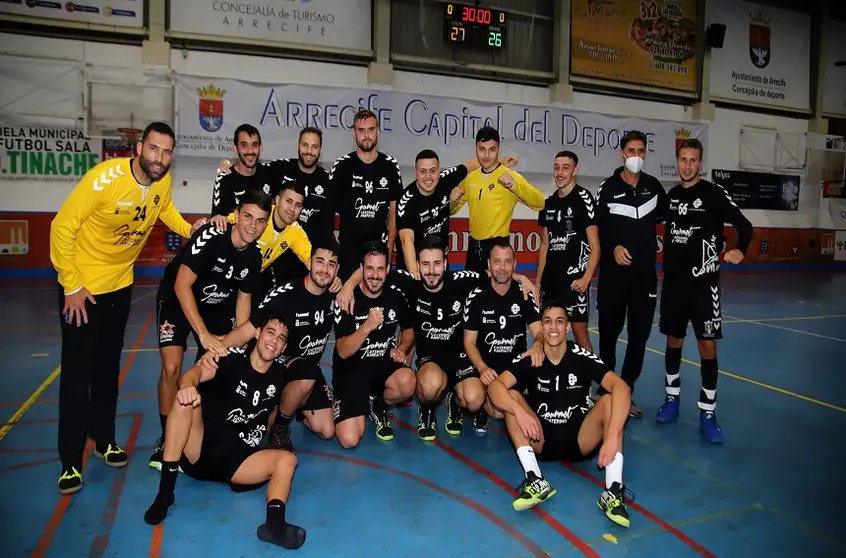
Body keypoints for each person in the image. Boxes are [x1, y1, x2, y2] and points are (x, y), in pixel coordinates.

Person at [49, 121, 220, 494]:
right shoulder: (104, 179)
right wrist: (71, 285)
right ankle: (69, 461)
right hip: (82, 288)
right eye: (155, 149)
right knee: (78, 375)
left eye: (167, 151)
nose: (160, 158)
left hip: (119, 287)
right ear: (139, 148)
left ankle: (104, 439)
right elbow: (62, 228)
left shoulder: (161, 183)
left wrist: (193, 229)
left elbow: (166, 212)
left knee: (109, 368)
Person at [338, 234, 537, 440]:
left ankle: (455, 401)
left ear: (445, 263)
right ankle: (426, 408)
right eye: (425, 264)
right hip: (430, 360)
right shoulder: (409, 282)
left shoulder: (461, 281)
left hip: (461, 359)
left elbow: (497, 272)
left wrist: (521, 278)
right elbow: (373, 270)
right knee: (429, 386)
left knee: (475, 399)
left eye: (436, 264)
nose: (431, 271)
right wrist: (348, 286)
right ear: (417, 265)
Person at [142, 316, 306, 551]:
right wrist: (188, 386)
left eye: (281, 338)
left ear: (284, 347)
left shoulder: (280, 374)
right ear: (257, 334)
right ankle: (165, 493)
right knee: (185, 401)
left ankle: (274, 524)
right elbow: (194, 374)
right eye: (270, 332)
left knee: (288, 459)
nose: (274, 341)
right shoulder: (230, 360)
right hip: (201, 450)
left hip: (239, 461)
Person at [149, 191, 271, 471]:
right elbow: (182, 286)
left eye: (260, 221)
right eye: (248, 216)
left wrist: (242, 342)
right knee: (171, 367)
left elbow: (243, 303)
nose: (253, 225)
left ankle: (200, 428)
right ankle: (166, 438)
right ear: (237, 214)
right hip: (178, 300)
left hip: (215, 306)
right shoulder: (210, 236)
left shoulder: (254, 257)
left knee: (216, 361)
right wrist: (202, 333)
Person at [487, 301, 633, 529]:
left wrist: (612, 435)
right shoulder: (531, 358)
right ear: (541, 328)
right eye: (547, 321)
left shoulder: (581, 356)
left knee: (611, 400)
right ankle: (535, 480)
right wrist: (518, 412)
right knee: (511, 397)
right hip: (540, 438)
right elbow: (495, 387)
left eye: (559, 321)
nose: (553, 327)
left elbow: (622, 387)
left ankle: (613, 492)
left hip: (580, 440)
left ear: (567, 327)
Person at [202, 236, 343, 450]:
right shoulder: (284, 296)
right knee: (304, 377)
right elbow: (248, 329)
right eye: (320, 261)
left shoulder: (335, 295)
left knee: (326, 430)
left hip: (307, 371)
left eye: (331, 264)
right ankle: (280, 426)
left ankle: (293, 404)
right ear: (309, 262)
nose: (324, 269)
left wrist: (348, 284)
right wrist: (214, 351)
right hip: (278, 367)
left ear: (337, 270)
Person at [655, 138, 753, 443]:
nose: (687, 165)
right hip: (673, 285)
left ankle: (708, 410)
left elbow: (744, 225)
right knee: (674, 341)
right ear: (677, 161)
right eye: (683, 160)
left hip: (704, 286)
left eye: (693, 160)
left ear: (701, 163)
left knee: (707, 347)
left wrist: (739, 249)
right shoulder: (670, 196)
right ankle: (672, 398)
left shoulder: (714, 194)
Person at [594, 130, 668, 417]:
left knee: (639, 337)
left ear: (645, 153)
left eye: (640, 151)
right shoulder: (607, 187)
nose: (635, 156)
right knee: (608, 335)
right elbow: (598, 229)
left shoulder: (654, 187)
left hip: (644, 278)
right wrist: (613, 248)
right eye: (631, 151)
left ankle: (626, 391)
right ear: (621, 153)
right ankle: (607, 389)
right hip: (613, 277)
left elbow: (670, 220)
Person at [218, 126, 334, 284]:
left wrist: (325, 268)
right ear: (297, 146)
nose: (309, 151)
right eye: (305, 145)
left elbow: (328, 228)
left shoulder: (328, 180)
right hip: (274, 264)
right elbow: (250, 167)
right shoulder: (279, 169)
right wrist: (228, 167)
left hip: (306, 258)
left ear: (321, 151)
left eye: (315, 147)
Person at [332, 241, 416, 447]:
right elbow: (342, 351)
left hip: (381, 366)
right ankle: (341, 399)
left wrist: (402, 349)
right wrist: (366, 327)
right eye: (369, 268)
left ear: (388, 269)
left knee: (407, 381)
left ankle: (379, 405)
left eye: (380, 268)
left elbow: (409, 330)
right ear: (361, 269)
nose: (375, 275)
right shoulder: (347, 299)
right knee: (350, 439)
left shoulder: (395, 295)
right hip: (351, 372)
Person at [463, 238, 545, 433]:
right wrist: (482, 368)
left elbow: (540, 333)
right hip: (486, 367)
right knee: (474, 400)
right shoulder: (476, 296)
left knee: (549, 357)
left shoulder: (524, 294)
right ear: (489, 265)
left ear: (514, 265)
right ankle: (482, 405)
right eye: (497, 261)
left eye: (508, 261)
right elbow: (469, 343)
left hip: (514, 369)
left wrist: (537, 344)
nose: (502, 267)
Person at [396, 149, 518, 276]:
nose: (428, 177)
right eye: (423, 171)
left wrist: (501, 161)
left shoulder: (445, 179)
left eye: (433, 171)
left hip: (440, 267)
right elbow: (407, 240)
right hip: (413, 269)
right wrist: (414, 273)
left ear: (439, 171)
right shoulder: (406, 201)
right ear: (416, 173)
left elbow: (471, 165)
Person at [449, 126, 545, 273]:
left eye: (492, 150)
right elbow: (452, 210)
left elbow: (539, 203)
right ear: (475, 149)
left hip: (498, 248)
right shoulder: (470, 178)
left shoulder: (509, 176)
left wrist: (514, 185)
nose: (486, 155)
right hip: (474, 248)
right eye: (482, 149)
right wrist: (452, 200)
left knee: (495, 295)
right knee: (470, 294)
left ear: (499, 150)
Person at [328, 109, 403, 281]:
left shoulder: (390, 166)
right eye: (361, 131)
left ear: (378, 131)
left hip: (378, 253)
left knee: (377, 306)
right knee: (347, 303)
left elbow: (394, 212)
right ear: (354, 134)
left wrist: (389, 250)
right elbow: (328, 211)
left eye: (370, 130)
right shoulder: (341, 166)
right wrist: (334, 250)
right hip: (348, 254)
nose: (366, 135)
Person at [535, 151, 600, 351]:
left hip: (574, 285)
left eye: (565, 167)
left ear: (575, 171)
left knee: (581, 337)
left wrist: (586, 278)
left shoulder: (584, 198)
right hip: (551, 283)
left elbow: (596, 246)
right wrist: (538, 282)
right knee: (548, 336)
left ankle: (587, 380)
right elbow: (545, 244)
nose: (560, 172)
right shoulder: (549, 203)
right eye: (557, 167)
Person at [211, 124, 278, 216]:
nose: (250, 151)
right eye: (244, 145)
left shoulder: (270, 172)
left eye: (254, 145)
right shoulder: (225, 179)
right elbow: (218, 219)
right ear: (235, 148)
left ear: (260, 147)